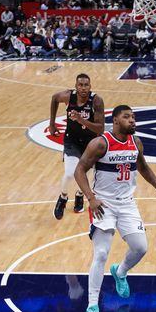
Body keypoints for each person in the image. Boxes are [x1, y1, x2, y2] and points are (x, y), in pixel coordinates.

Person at [73, 105, 156, 312]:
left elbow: (143, 167)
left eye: (134, 117)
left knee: (141, 248)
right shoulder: (100, 143)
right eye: (127, 117)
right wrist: (90, 198)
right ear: (115, 121)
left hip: (127, 204)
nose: (133, 121)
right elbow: (79, 170)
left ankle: (121, 271)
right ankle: (92, 307)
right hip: (103, 204)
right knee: (100, 253)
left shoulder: (136, 143)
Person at [50, 74, 106, 219]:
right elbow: (54, 98)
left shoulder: (97, 101)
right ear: (75, 86)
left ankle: (80, 195)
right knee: (70, 173)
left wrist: (81, 120)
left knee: (88, 175)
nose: (83, 88)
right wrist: (52, 123)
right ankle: (63, 197)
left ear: (90, 86)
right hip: (72, 140)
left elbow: (100, 129)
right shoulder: (68, 96)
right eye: (80, 85)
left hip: (90, 143)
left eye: (86, 85)